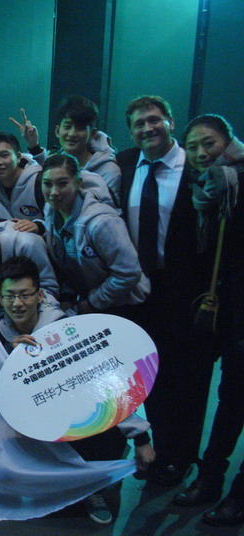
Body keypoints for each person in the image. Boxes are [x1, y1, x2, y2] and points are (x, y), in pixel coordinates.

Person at [0, 255, 155, 524]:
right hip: (41, 418)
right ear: (0, 297)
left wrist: (141, 437)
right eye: (10, 296)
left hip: (81, 415)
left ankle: (95, 491)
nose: (17, 303)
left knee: (100, 430)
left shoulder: (65, 331)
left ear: (40, 295)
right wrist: (12, 357)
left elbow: (106, 383)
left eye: (25, 295)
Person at [117, 95, 214, 487]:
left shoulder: (197, 165)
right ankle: (162, 454)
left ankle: (181, 456)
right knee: (149, 377)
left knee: (186, 379)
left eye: (154, 120)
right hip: (138, 294)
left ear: (171, 122)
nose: (147, 128)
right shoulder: (124, 164)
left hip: (184, 292)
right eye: (139, 124)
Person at [172, 114, 244, 526]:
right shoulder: (207, 187)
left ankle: (239, 495)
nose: (201, 153)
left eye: (209, 144)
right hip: (230, 306)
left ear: (228, 141)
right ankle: (211, 477)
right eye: (193, 146)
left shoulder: (237, 181)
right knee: (231, 396)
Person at [40, 153, 149, 315]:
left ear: (78, 183)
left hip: (126, 304)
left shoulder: (102, 223)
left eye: (62, 183)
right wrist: (68, 295)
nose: (54, 192)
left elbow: (128, 273)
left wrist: (94, 302)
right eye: (48, 184)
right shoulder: (52, 213)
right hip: (92, 302)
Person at [53, 96, 122, 202]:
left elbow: (110, 209)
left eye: (80, 128)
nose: (72, 134)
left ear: (92, 134)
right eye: (67, 127)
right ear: (57, 131)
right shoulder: (52, 165)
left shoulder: (108, 171)